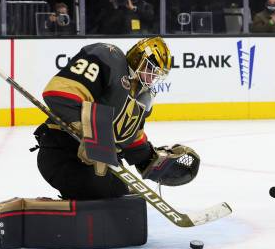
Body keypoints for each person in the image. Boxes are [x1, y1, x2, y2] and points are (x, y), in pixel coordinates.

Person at [33, 37, 200, 200]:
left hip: (94, 164)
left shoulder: (141, 95)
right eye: (150, 70)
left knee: (121, 194)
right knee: (108, 193)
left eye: (156, 75)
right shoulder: (108, 57)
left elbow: (131, 138)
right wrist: (89, 134)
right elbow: (58, 94)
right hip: (61, 153)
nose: (152, 78)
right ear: (138, 58)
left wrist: (151, 159)